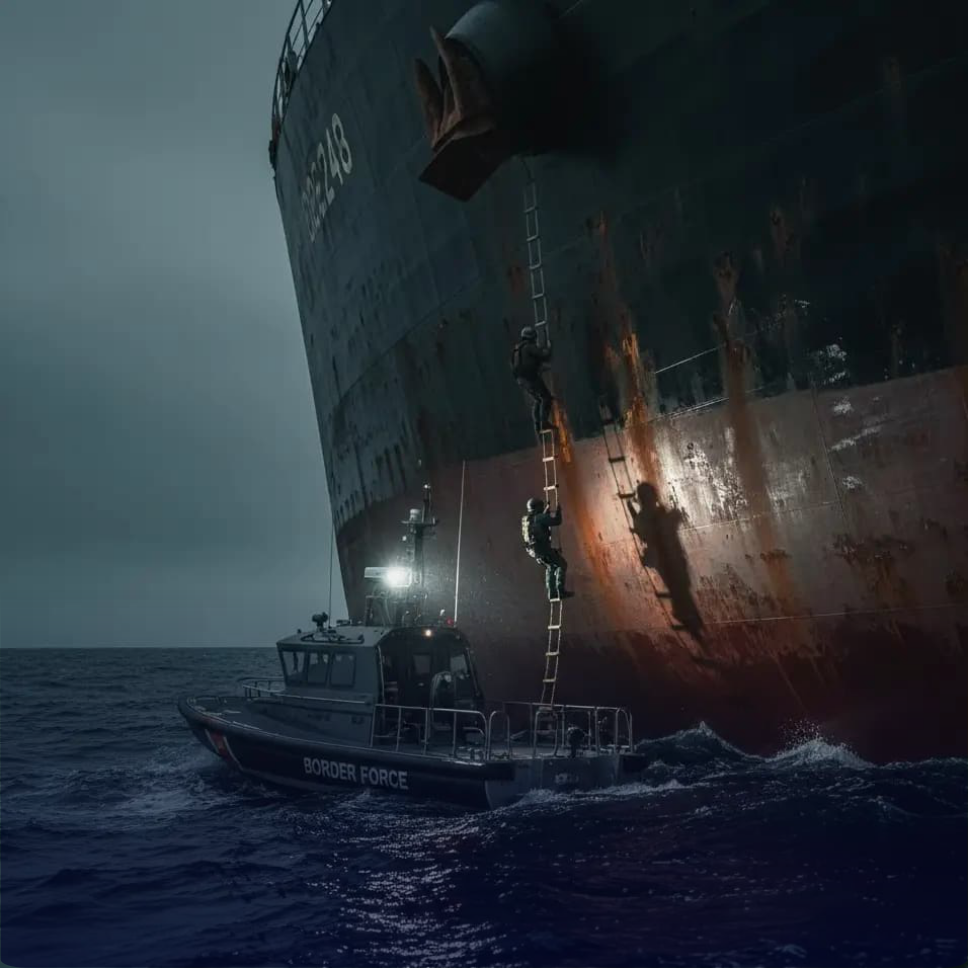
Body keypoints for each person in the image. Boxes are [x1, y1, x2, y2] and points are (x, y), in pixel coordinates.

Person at [521, 497, 574, 600]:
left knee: (551, 567)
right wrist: (558, 510)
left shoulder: (526, 519)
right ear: (538, 508)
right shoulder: (539, 517)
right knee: (562, 564)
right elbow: (556, 521)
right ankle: (560, 591)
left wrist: (547, 510)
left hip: (534, 552)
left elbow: (539, 523)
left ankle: (552, 594)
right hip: (543, 549)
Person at [511, 326, 555, 434]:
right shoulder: (529, 347)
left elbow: (523, 364)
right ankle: (544, 423)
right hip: (530, 378)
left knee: (538, 400)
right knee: (547, 398)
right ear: (531, 337)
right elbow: (544, 355)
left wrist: (539, 367)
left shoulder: (517, 349)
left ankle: (537, 425)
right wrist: (550, 347)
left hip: (521, 379)